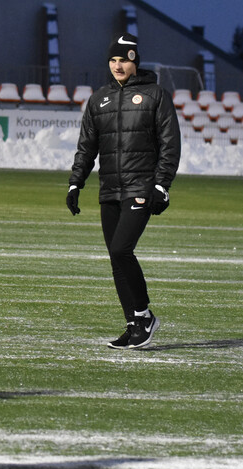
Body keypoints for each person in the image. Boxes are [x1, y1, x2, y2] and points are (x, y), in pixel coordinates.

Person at [67, 33, 181, 349]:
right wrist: (76, 182)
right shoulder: (98, 99)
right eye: (113, 60)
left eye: (124, 60)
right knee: (115, 259)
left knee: (121, 250)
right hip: (110, 189)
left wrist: (161, 185)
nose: (118, 65)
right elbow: (86, 146)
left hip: (140, 186)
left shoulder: (156, 95)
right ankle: (134, 324)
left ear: (134, 62)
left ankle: (144, 315)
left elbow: (170, 145)